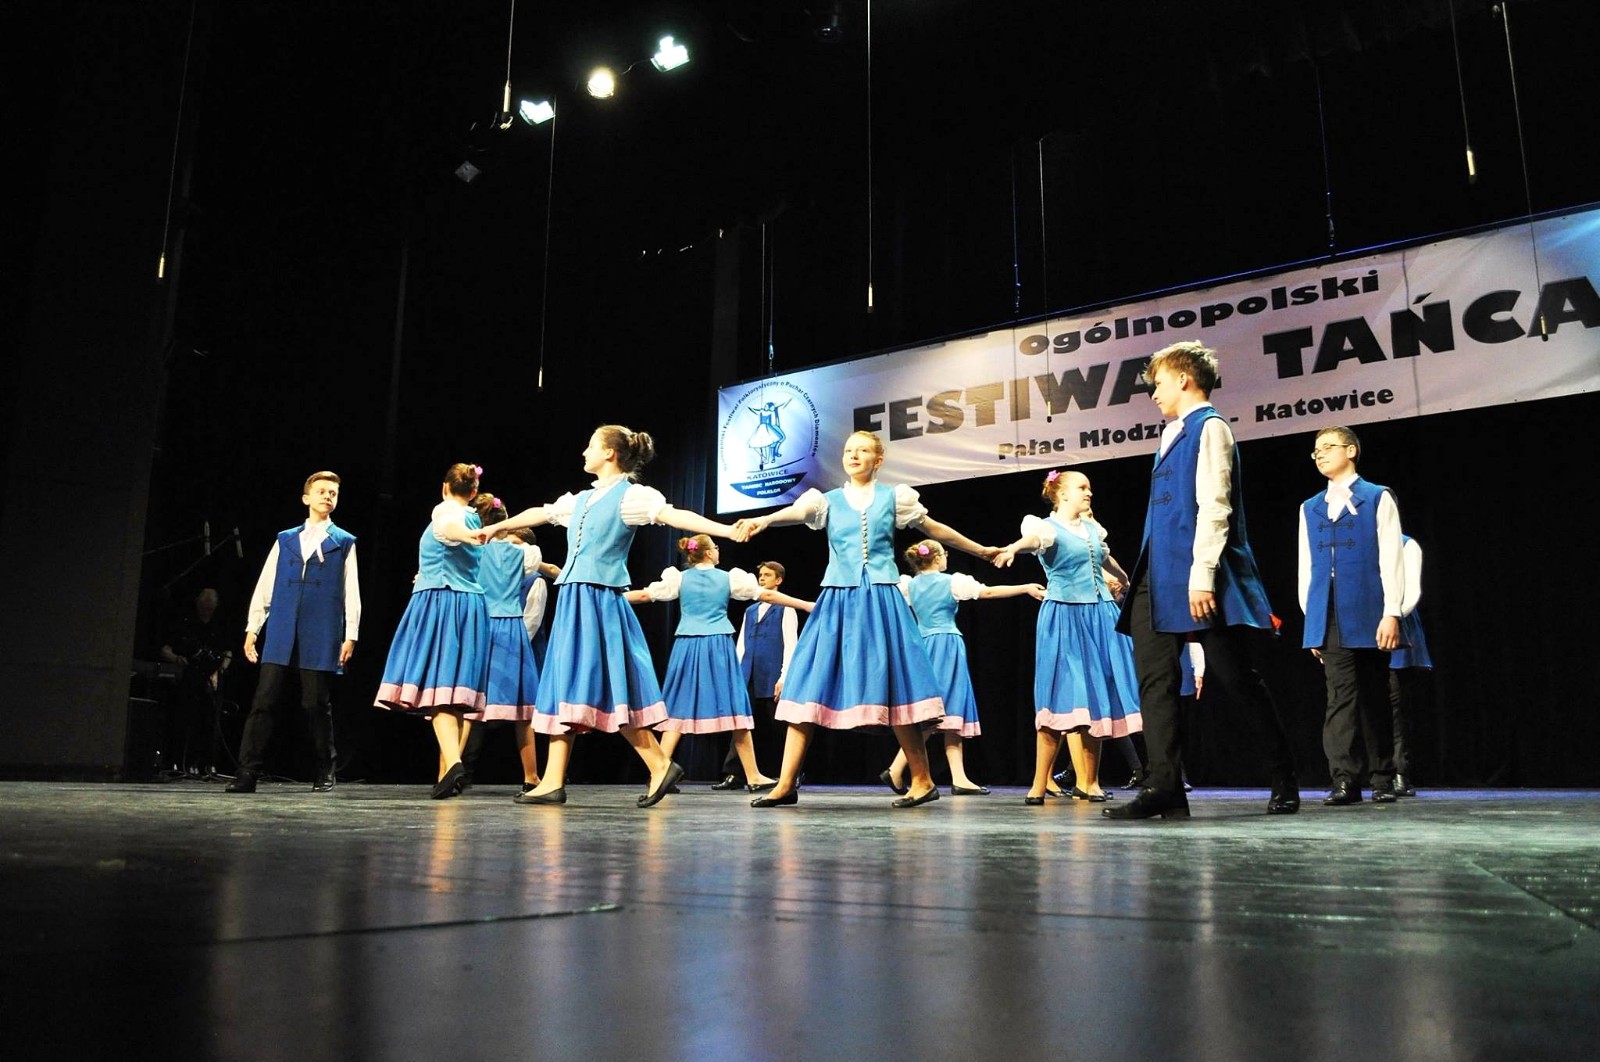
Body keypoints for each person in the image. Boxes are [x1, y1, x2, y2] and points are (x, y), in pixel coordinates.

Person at [735, 429, 1001, 809]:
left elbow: (935, 529)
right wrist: (764, 520)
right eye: (848, 450)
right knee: (807, 681)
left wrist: (981, 551)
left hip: (880, 599)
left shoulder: (895, 498)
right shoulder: (827, 501)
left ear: (879, 459)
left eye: (862, 450)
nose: (853, 455)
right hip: (838, 599)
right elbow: (796, 512)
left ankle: (922, 780)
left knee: (895, 682)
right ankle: (786, 783)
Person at [487, 424, 740, 808]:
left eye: (590, 446)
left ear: (610, 453)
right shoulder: (581, 499)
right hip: (574, 598)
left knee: (608, 684)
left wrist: (726, 530)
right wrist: (501, 526)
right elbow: (542, 512)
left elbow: (674, 515)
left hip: (598, 598)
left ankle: (658, 763)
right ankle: (554, 779)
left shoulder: (630, 496)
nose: (583, 453)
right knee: (566, 683)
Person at [1105, 340, 1300, 819]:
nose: (1154, 392)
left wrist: (1203, 575)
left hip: (1198, 571)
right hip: (1156, 571)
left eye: (1158, 382)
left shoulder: (1210, 428)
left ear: (1183, 379)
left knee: (1235, 676)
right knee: (1155, 680)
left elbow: (1216, 506)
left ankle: (1284, 774)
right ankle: (1165, 787)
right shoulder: (1170, 434)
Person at [996, 470, 1141, 805]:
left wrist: (1126, 580)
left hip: (1100, 614)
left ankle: (1090, 782)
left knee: (1095, 698)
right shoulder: (1045, 527)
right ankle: (1039, 784)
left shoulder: (1092, 529)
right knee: (1063, 694)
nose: (1089, 493)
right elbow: (1033, 542)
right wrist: (1013, 548)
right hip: (1066, 614)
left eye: (1090, 487)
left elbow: (1105, 558)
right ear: (1061, 494)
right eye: (1082, 487)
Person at [627, 536, 812, 792]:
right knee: (735, 708)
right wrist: (806, 605)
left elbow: (645, 595)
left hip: (687, 645)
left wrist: (612, 598)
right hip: (717, 645)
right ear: (707, 553)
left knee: (678, 707)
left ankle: (659, 772)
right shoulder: (728, 578)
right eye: (715, 547)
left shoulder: (679, 578)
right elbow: (768, 595)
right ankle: (753, 775)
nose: (718, 551)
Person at [228, 472, 361, 794]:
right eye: (322, 491)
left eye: (333, 493)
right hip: (282, 627)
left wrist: (351, 634)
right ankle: (247, 772)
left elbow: (351, 592)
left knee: (314, 702)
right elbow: (266, 584)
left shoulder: (343, 542)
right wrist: (253, 627)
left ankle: (325, 766)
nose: (327, 496)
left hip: (321, 629)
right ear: (306, 498)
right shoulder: (286, 539)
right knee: (264, 700)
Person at [881, 539, 1044, 797]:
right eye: (944, 554)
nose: (947, 557)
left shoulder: (909, 585)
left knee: (947, 711)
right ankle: (896, 768)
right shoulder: (951, 582)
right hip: (946, 646)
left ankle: (959, 777)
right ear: (937, 558)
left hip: (922, 646)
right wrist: (1024, 587)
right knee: (937, 712)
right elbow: (987, 592)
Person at [1298, 425, 1402, 805]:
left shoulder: (1377, 497)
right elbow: (1307, 568)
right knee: (1339, 697)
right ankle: (1344, 779)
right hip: (1329, 614)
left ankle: (1383, 777)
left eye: (1329, 447)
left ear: (1352, 450)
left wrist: (1392, 612)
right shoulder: (1309, 507)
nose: (1321, 454)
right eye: (1316, 450)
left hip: (1369, 610)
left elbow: (1392, 558)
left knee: (1374, 696)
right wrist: (1313, 622)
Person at [374, 463, 491, 799]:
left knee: (438, 690)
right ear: (473, 492)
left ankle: (453, 764)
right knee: (452, 695)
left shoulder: (447, 511)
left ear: (444, 488)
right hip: (468, 605)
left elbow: (448, 529)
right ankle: (448, 771)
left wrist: (466, 536)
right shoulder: (474, 516)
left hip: (443, 602)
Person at [471, 493, 545, 796]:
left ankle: (449, 769)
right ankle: (531, 776)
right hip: (511, 626)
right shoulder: (526, 553)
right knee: (522, 712)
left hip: (481, 625)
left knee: (467, 704)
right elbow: (532, 568)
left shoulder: (473, 552)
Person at [710, 560, 802, 790]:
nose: (762, 578)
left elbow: (791, 645)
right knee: (741, 724)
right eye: (760, 574)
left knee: (779, 726)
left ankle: (791, 773)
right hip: (748, 674)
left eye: (767, 575)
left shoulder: (786, 608)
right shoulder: (750, 611)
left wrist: (784, 677)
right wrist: (735, 675)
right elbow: (741, 645)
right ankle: (735, 773)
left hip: (772, 675)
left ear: (778, 580)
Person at [159, 587, 232, 776]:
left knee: (210, 724)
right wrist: (177, 659)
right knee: (185, 721)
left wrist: (220, 671)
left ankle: (207, 764)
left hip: (212, 680)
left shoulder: (219, 626)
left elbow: (228, 653)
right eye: (203, 606)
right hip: (188, 679)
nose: (206, 610)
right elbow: (165, 649)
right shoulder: (186, 624)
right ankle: (181, 762)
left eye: (210, 607)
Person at [1390, 534, 1431, 796]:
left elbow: (1412, 594)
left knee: (1395, 707)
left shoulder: (1406, 545)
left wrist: (1389, 616)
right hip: (1363, 630)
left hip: (1397, 629)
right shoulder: (1360, 543)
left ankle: (1399, 773)